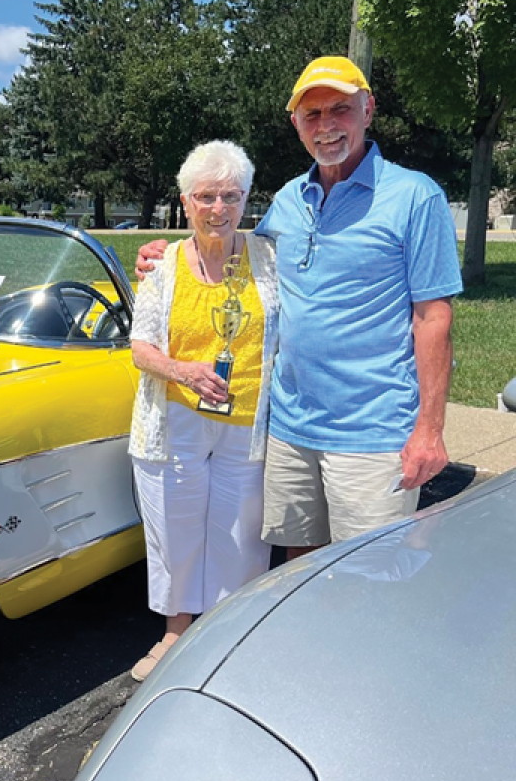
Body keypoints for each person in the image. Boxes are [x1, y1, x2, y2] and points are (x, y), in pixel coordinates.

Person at [137, 56, 461, 563]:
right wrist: (170, 253)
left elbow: (433, 319)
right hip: (288, 429)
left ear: (368, 110)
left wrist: (430, 430)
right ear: (296, 124)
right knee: (298, 572)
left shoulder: (415, 197)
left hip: (373, 434)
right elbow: (233, 253)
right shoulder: (288, 200)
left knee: (372, 573)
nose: (326, 126)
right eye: (312, 115)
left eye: (340, 109)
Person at [128, 141, 278, 682]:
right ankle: (175, 633)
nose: (219, 209)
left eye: (231, 196)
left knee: (240, 536)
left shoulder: (268, 255)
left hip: (247, 421)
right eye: (206, 197)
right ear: (186, 202)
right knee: (177, 529)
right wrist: (186, 370)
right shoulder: (162, 266)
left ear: (245, 200)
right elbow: (141, 348)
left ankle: (227, 634)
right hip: (176, 421)